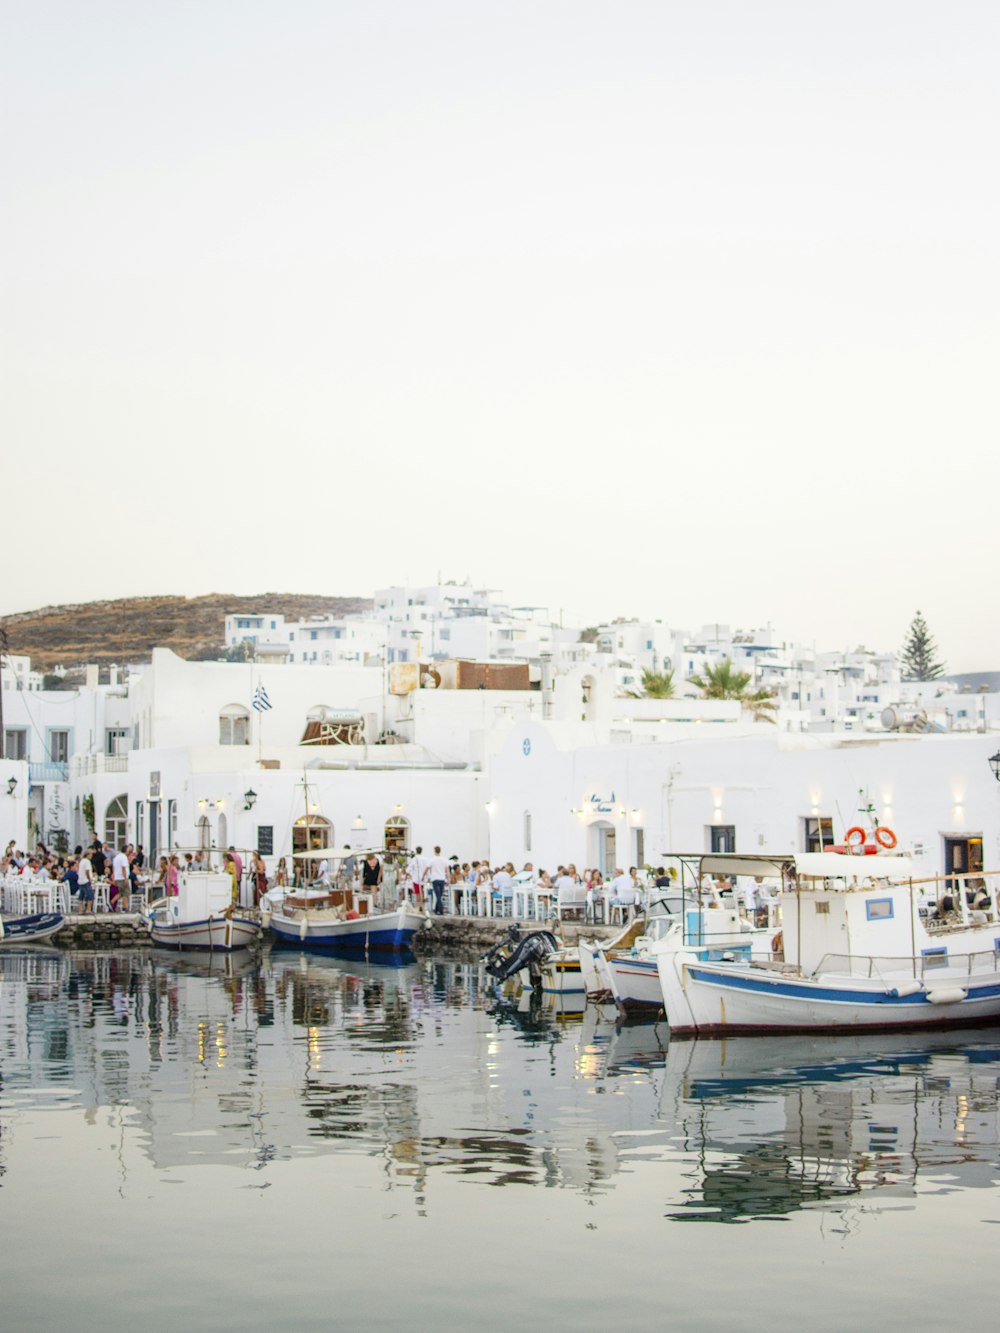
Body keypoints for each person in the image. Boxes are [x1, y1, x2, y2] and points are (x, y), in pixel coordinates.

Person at [425, 846, 449, 916]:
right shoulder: (444, 860)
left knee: (438, 895)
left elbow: (427, 868)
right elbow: (447, 870)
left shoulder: (432, 860)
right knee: (439, 895)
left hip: (435, 879)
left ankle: (438, 910)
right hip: (442, 879)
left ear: (434, 851)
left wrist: (424, 876)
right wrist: (449, 879)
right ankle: (438, 910)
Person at [111, 845, 130, 912]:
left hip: (117, 877)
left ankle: (112, 902)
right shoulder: (124, 857)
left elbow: (113, 866)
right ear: (126, 850)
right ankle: (124, 907)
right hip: (122, 877)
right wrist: (125, 878)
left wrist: (114, 875)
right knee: (126, 893)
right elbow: (123, 868)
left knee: (121, 893)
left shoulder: (117, 857)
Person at [77, 848, 95, 914]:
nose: (92, 856)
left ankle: (80, 910)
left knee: (81, 896)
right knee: (90, 896)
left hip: (80, 880)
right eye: (91, 854)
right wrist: (90, 879)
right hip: (85, 880)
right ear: (87, 854)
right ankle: (88, 909)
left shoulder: (82, 861)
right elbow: (87, 871)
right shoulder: (87, 861)